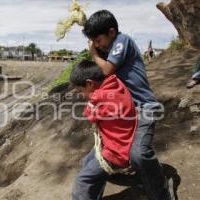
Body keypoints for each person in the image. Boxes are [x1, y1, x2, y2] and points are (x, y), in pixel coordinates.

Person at [81, 10, 174, 200]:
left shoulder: (122, 41)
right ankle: (137, 174)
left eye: (98, 40)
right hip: (125, 111)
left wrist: (92, 53)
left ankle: (161, 189)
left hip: (143, 108)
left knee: (138, 154)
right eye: (94, 42)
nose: (97, 45)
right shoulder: (109, 48)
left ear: (112, 32)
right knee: (90, 160)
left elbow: (106, 69)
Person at [70, 60, 137, 200]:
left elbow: (89, 115)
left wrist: (91, 103)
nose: (82, 95)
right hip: (115, 142)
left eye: (81, 91)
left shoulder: (104, 99)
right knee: (85, 163)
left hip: (116, 151)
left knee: (82, 181)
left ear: (90, 83)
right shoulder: (114, 83)